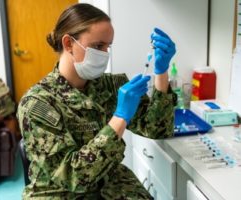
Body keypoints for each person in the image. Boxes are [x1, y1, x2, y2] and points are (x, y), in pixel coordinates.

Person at [17, 3, 176, 200]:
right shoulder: (38, 103)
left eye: (108, 46)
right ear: (68, 44)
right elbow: (74, 177)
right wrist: (119, 118)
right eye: (98, 46)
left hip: (111, 186)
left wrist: (161, 72)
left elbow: (158, 129)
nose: (105, 54)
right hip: (60, 194)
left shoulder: (110, 86)